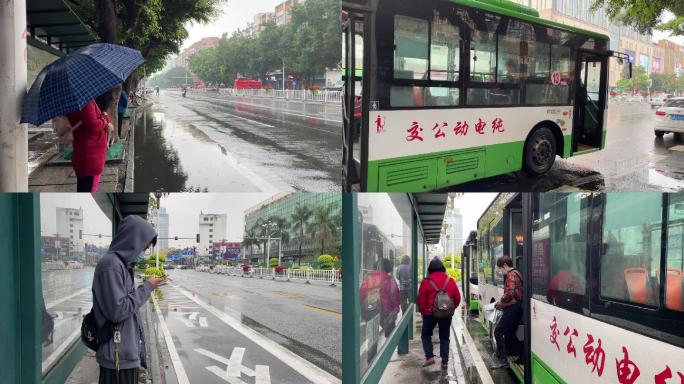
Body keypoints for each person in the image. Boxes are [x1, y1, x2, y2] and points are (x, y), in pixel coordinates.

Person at [92, 215, 164, 384]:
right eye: (144, 246)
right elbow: (118, 311)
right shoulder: (111, 266)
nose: (143, 251)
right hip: (116, 359)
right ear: (132, 240)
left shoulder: (121, 266)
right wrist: (147, 286)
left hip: (123, 356)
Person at [57, 99, 113, 192]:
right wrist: (106, 119)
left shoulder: (78, 100)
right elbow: (93, 125)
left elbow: (90, 120)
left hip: (86, 154)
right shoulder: (84, 101)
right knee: (88, 190)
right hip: (91, 156)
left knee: (85, 188)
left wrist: (102, 118)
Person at [417, 258, 460, 369]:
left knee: (426, 335)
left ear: (430, 269)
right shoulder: (450, 281)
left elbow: (421, 299)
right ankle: (444, 362)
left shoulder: (426, 281)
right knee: (444, 337)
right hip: (446, 313)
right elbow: (458, 298)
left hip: (430, 313)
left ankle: (430, 357)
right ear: (443, 268)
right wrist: (451, 308)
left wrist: (424, 312)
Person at [492, 255, 524, 369]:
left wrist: (500, 302)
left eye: (501, 268)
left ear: (505, 265)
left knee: (498, 332)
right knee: (510, 333)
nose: (500, 271)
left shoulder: (511, 275)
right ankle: (522, 356)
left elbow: (510, 293)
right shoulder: (517, 273)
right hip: (518, 308)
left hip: (512, 308)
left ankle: (503, 360)